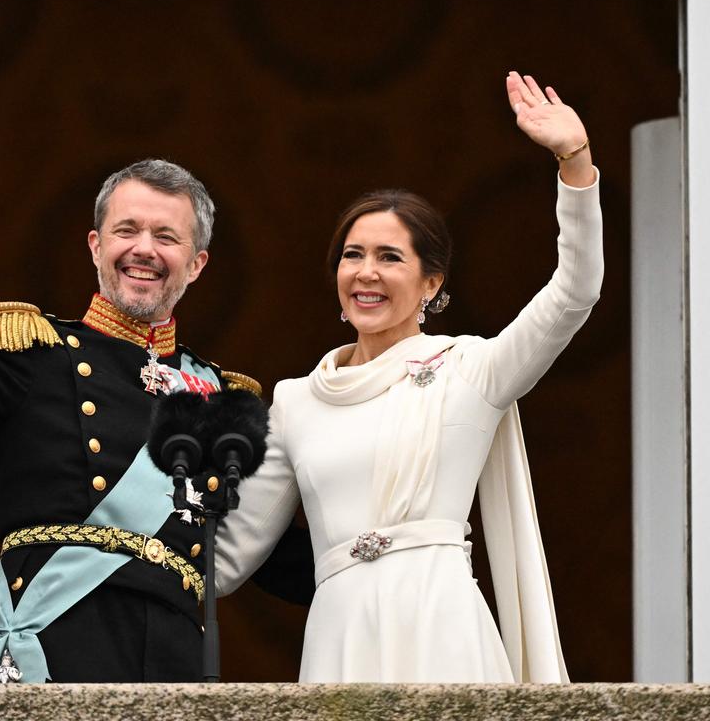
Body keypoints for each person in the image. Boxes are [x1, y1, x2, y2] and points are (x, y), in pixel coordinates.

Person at [214, 71, 602, 683]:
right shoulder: (295, 401)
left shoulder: (471, 369)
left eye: (390, 257)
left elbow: (574, 293)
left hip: (440, 623)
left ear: (431, 283)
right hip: (340, 636)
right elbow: (228, 558)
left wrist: (573, 163)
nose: (366, 272)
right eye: (353, 254)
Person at [0, 155, 262, 683]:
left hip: (173, 660)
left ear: (196, 263)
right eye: (126, 230)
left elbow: (270, 543)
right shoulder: (34, 353)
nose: (143, 248)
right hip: (58, 646)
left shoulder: (220, 400)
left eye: (166, 236)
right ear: (96, 246)